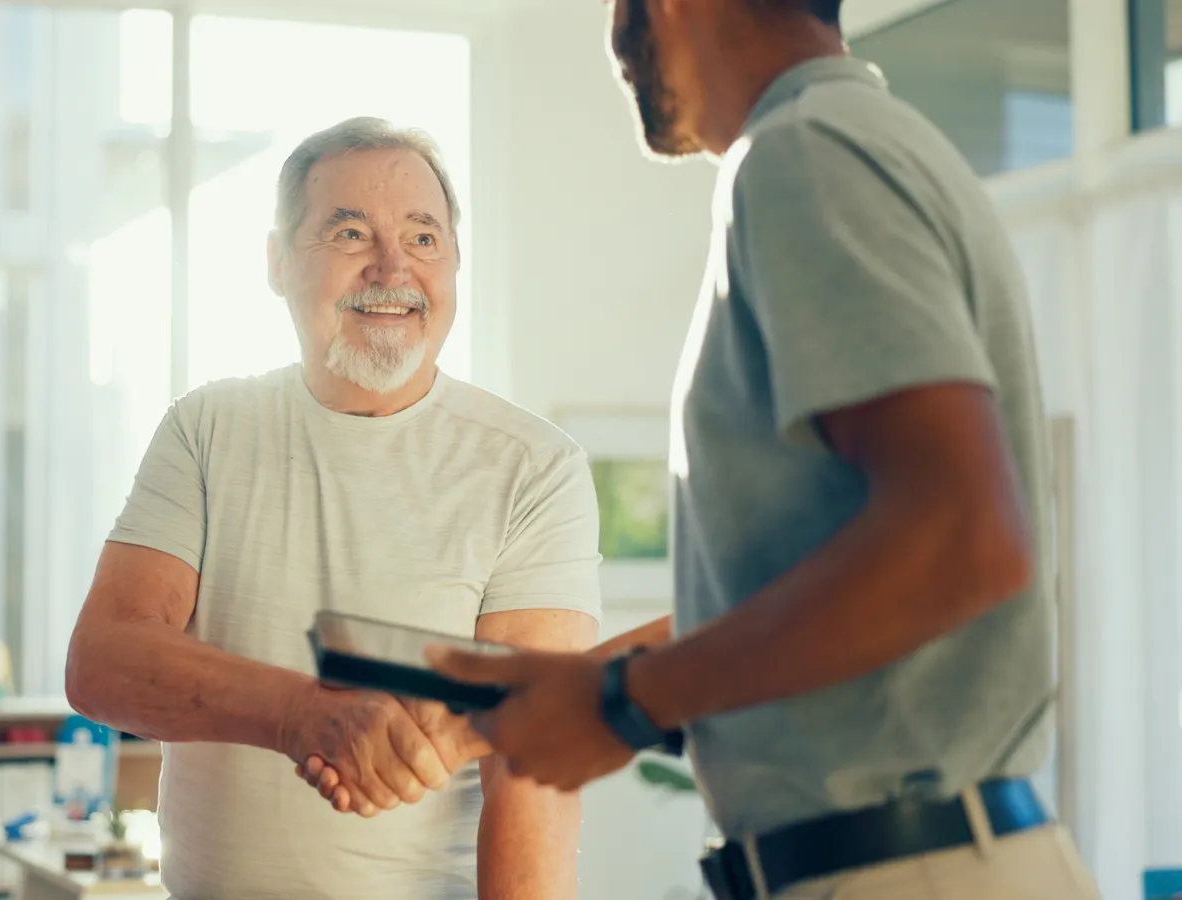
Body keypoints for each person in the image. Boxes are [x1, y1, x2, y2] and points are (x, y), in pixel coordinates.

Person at [428, 2, 1102, 899]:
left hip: (900, 870)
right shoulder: (869, 143)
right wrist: (612, 686)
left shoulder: (804, 155)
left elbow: (962, 539)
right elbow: (860, 571)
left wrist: (625, 705)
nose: (616, 41)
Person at [65, 117, 600, 900]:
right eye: (350, 233)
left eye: (424, 239)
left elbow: (533, 769)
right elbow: (103, 662)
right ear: (277, 262)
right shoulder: (208, 428)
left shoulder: (532, 468)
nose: (393, 268)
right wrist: (300, 715)